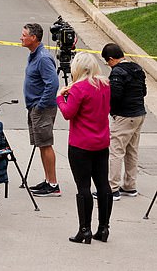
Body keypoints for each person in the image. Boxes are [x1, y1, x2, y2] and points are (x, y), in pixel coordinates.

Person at [56, 52, 111, 244]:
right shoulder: (105, 85)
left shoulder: (79, 88)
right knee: (103, 184)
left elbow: (68, 113)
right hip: (101, 141)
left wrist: (60, 98)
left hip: (81, 143)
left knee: (84, 187)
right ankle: (103, 228)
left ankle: (84, 229)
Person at [101, 43, 147, 200]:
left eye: (107, 62)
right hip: (140, 113)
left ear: (112, 59)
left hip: (125, 116)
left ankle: (112, 188)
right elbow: (144, 91)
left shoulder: (117, 72)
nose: (108, 65)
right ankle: (129, 185)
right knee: (132, 150)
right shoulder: (137, 68)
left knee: (116, 151)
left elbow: (114, 95)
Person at [21, 23, 61, 197]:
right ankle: (47, 180)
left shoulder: (43, 58)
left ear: (33, 38)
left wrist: (41, 105)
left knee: (46, 144)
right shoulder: (33, 55)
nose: (21, 37)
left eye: (24, 35)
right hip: (35, 107)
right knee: (41, 145)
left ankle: (53, 184)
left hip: (42, 109)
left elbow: (52, 84)